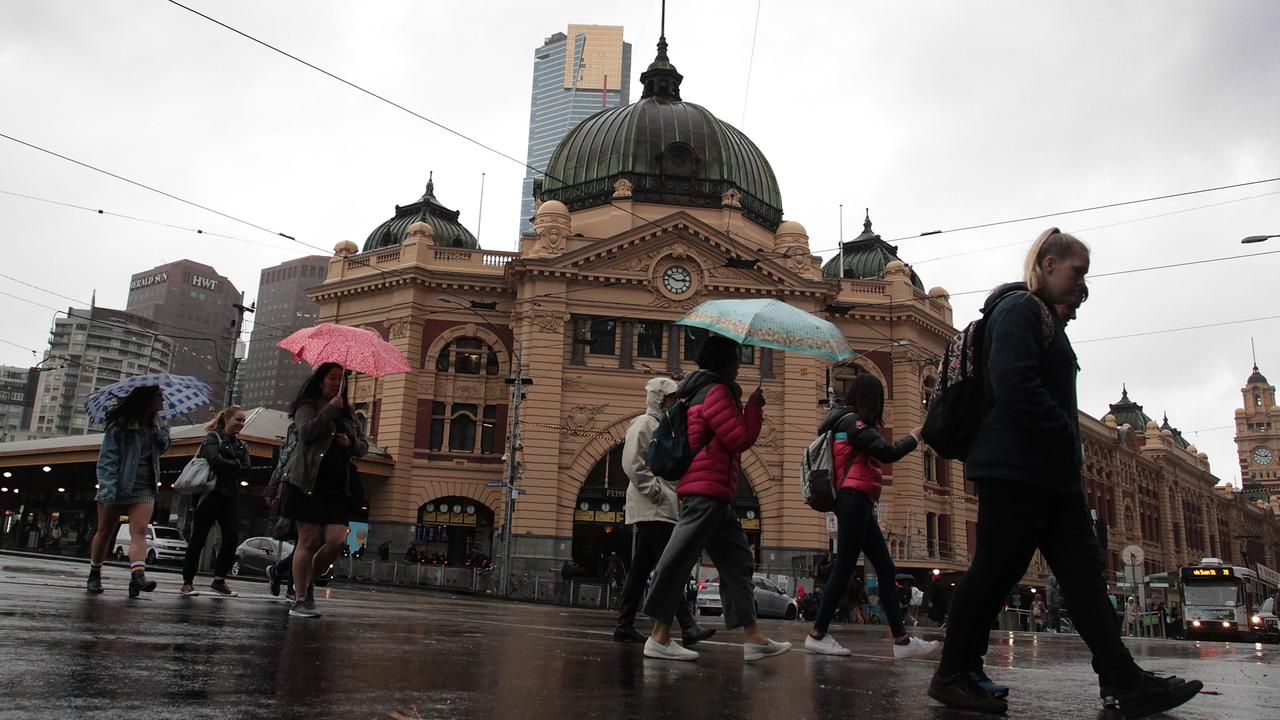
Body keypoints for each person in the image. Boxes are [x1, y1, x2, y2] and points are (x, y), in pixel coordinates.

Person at [928, 228, 1202, 717]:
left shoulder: (1042, 321)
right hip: (1019, 470)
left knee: (1082, 580)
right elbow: (1015, 386)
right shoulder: (1018, 310)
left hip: (1047, 476)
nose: (1081, 286)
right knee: (995, 572)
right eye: (1077, 272)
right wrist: (1065, 437)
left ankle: (1121, 680)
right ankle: (954, 672)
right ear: (1049, 263)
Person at [641, 336, 789, 662]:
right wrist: (754, 408)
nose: (740, 364)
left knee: (738, 563)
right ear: (725, 362)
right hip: (704, 491)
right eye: (737, 358)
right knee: (678, 560)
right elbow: (739, 437)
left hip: (716, 492)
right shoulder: (716, 392)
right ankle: (659, 636)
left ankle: (753, 637)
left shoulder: (699, 390)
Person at [804, 374, 939, 660]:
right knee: (844, 568)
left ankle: (901, 642)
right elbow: (887, 453)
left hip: (858, 501)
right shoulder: (854, 423)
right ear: (871, 400)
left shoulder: (844, 421)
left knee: (885, 569)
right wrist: (915, 436)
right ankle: (817, 634)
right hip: (853, 500)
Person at [614, 377, 715, 646]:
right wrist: (655, 490)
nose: (675, 403)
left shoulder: (661, 424)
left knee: (641, 569)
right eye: (671, 399)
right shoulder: (645, 424)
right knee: (669, 566)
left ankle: (624, 623)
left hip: (657, 506)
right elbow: (632, 463)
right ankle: (688, 625)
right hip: (651, 507)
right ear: (660, 399)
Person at [280, 363, 367, 618]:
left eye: (341, 378)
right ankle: (300, 599)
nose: (336, 382)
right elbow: (306, 433)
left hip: (338, 485)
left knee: (337, 541)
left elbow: (362, 447)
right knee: (307, 541)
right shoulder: (309, 405)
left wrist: (349, 442)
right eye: (332, 377)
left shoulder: (348, 413)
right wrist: (329, 410)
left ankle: (307, 584)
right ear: (320, 381)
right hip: (307, 481)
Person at [87, 385, 170, 597]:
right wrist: (108, 487)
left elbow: (164, 447)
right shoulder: (119, 427)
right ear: (147, 400)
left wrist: (162, 430)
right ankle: (95, 573)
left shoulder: (156, 427)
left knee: (140, 530)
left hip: (144, 486)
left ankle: (138, 576)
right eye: (159, 396)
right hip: (116, 485)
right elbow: (107, 459)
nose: (163, 400)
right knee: (105, 531)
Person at [180, 406, 251, 597]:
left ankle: (219, 580)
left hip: (229, 497)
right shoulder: (213, 437)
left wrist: (229, 463)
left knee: (231, 538)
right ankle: (187, 582)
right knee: (198, 539)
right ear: (226, 419)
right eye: (238, 420)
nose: (241, 424)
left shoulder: (242, 445)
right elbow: (214, 460)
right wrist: (234, 464)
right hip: (209, 495)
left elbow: (246, 468)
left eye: (243, 421)